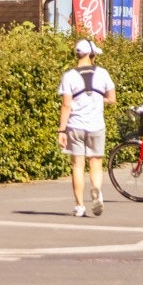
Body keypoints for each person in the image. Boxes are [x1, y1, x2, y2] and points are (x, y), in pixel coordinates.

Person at [57, 39, 116, 218]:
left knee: (77, 165)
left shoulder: (69, 76)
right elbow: (112, 99)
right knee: (96, 162)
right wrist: (97, 99)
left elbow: (66, 105)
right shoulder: (103, 73)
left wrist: (61, 130)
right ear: (91, 55)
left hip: (75, 125)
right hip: (96, 125)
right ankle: (97, 191)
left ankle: (80, 206)